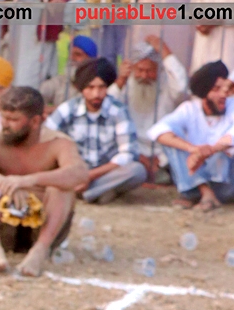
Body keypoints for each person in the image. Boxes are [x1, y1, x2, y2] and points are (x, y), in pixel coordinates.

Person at [0, 84, 89, 275]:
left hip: (44, 225)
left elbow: (79, 173)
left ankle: (39, 251)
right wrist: (3, 182)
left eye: (13, 120)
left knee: (61, 186)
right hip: (5, 223)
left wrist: (30, 180)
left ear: (35, 121)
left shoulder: (58, 143)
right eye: (4, 117)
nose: (5, 124)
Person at [46, 57, 146, 204]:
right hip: (73, 172)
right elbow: (45, 139)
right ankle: (99, 193)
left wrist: (89, 176)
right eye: (90, 88)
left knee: (137, 171)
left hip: (105, 174)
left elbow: (128, 153)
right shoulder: (67, 109)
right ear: (81, 88)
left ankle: (86, 192)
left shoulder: (118, 111)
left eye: (101, 87)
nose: (96, 94)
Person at [149, 60, 234, 209]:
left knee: (225, 149)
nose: (223, 94)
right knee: (172, 137)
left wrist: (207, 151)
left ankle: (202, 195)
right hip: (193, 177)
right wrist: (192, 149)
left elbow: (230, 138)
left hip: (225, 183)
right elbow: (157, 130)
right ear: (204, 92)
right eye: (216, 89)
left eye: (224, 89)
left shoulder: (231, 106)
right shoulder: (189, 109)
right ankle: (204, 192)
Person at [109, 38, 187, 179]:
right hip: (133, 150)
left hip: (163, 152)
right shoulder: (125, 85)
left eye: (150, 71)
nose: (144, 76)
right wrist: (120, 80)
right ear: (132, 68)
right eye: (140, 70)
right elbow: (107, 107)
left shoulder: (168, 86)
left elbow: (182, 88)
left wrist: (164, 49)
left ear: (159, 70)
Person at [41, 32, 99, 108]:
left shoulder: (96, 85)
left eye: (78, 54)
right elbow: (40, 95)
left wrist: (53, 110)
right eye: (70, 53)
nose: (71, 58)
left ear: (90, 60)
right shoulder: (60, 81)